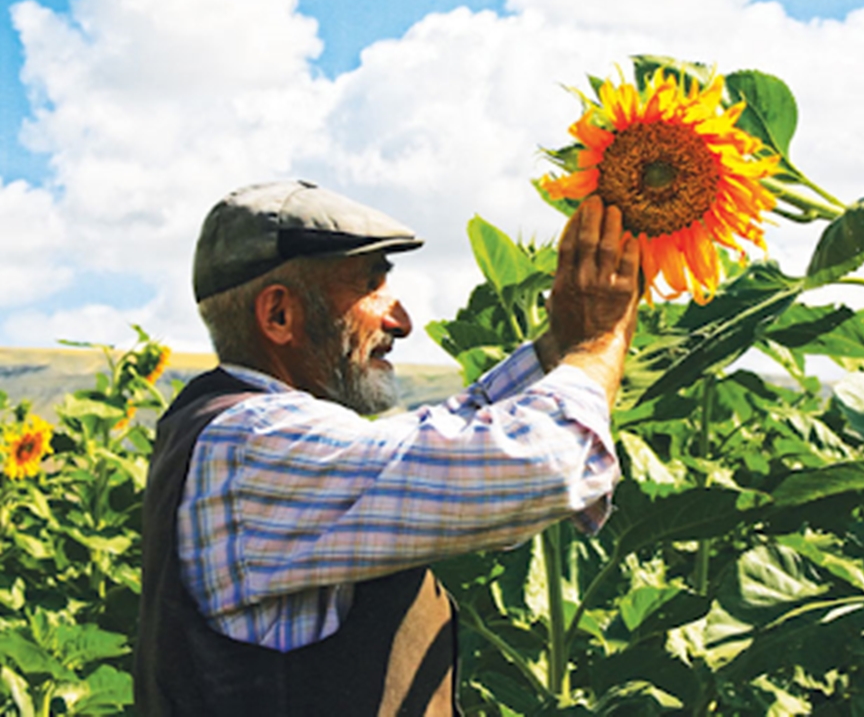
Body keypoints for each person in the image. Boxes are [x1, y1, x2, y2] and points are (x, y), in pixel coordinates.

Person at [133, 179, 640, 717]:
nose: (402, 321)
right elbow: (538, 464)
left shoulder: (237, 433)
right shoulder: (254, 442)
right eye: (371, 286)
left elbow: (431, 443)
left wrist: (556, 347)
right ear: (279, 315)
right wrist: (596, 345)